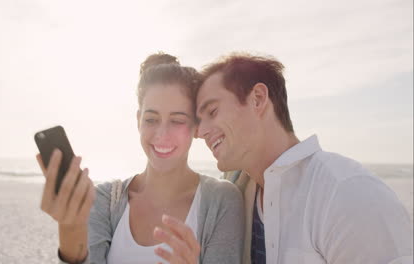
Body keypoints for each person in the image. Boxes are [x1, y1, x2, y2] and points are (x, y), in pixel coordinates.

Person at [158, 52, 413, 264]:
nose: (200, 133)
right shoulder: (236, 196)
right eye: (199, 121)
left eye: (212, 111)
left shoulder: (348, 192)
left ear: (258, 99)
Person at [36, 53, 244, 264]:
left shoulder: (221, 200)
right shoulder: (105, 200)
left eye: (177, 121)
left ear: (196, 126)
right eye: (151, 119)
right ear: (138, 120)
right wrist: (70, 228)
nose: (162, 134)